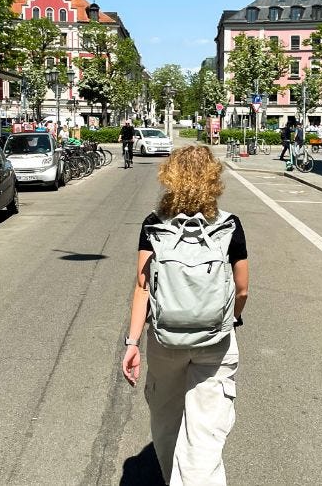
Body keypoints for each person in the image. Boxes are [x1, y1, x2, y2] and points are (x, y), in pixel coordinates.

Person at [121, 146, 249, 486]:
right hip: (215, 341)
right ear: (213, 181)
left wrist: (132, 343)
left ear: (170, 179)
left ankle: (170, 477)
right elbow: (242, 290)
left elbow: (142, 288)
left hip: (166, 341)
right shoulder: (229, 227)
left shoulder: (154, 225)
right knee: (205, 435)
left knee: (166, 421)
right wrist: (230, 318)